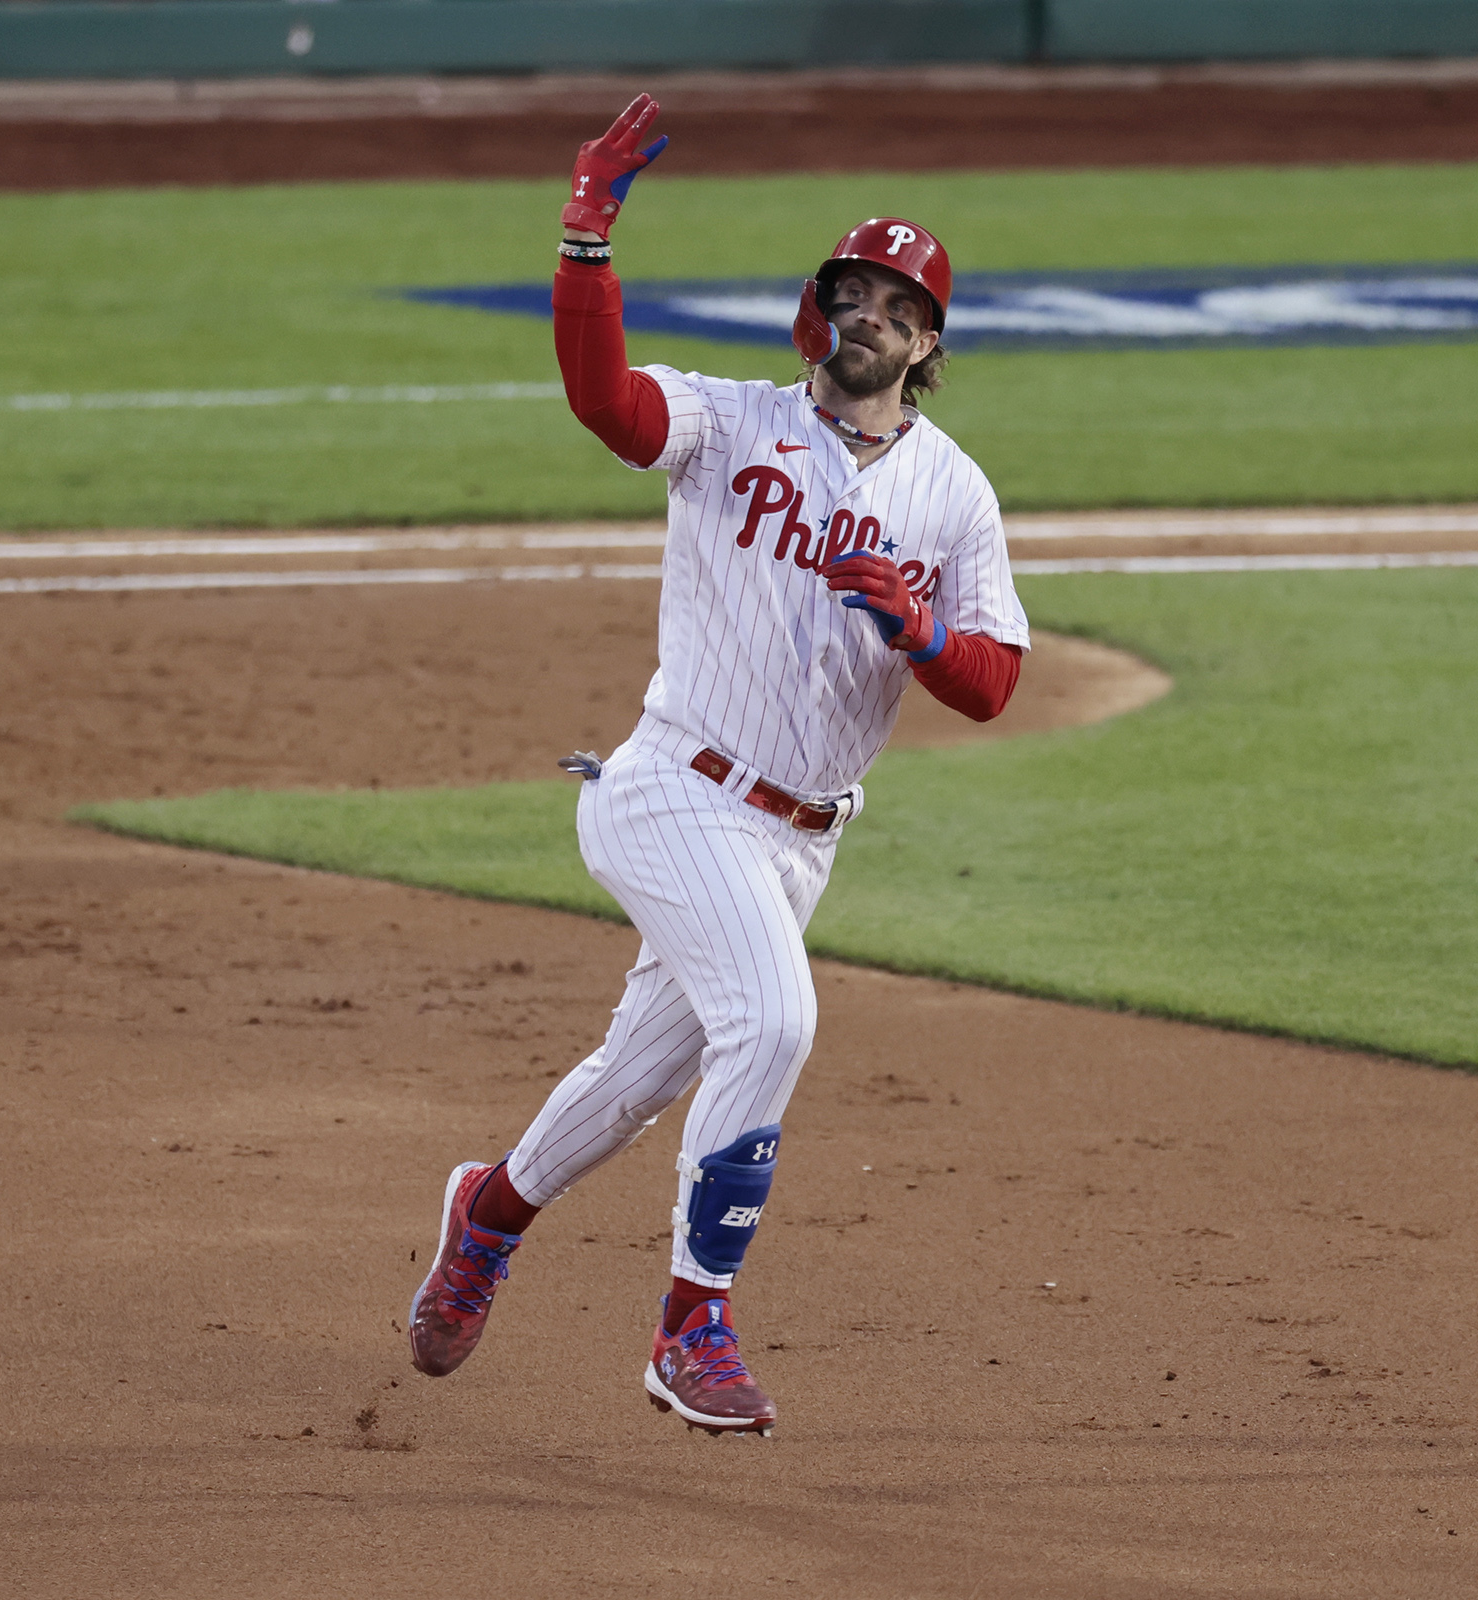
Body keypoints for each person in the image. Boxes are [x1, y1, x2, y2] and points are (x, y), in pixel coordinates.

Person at [405, 93, 1030, 1435]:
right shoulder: (726, 421)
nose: (868, 313)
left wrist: (916, 628)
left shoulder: (955, 495)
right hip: (671, 787)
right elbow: (604, 400)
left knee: (637, 1080)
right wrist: (589, 234)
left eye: (894, 303)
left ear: (927, 343)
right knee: (780, 1021)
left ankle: (489, 1211)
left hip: (800, 841)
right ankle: (692, 1325)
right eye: (850, 291)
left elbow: (991, 681)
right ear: (820, 314)